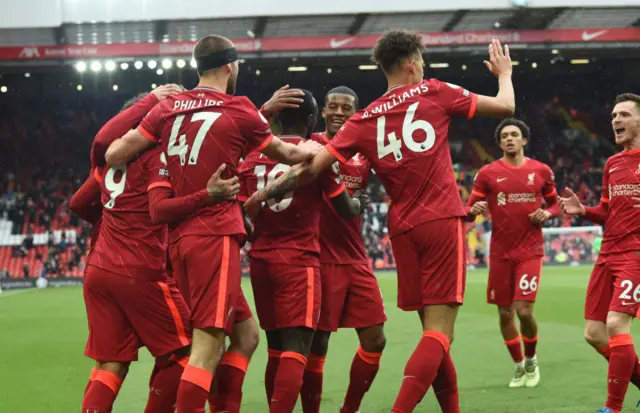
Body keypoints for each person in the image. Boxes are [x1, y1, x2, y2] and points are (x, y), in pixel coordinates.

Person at [244, 30, 515, 413]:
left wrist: (261, 194)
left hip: (401, 227)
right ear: (413, 63)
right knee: (439, 333)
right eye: (422, 61)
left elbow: (307, 171)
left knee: (423, 334)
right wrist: (504, 73)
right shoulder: (434, 91)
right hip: (436, 220)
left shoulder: (365, 119)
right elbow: (506, 106)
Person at [103, 35, 321, 413]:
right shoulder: (238, 109)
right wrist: (326, 150)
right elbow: (288, 152)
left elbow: (115, 152)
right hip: (215, 237)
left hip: (180, 242)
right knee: (205, 349)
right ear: (230, 66)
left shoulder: (169, 109)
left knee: (247, 336)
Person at [238, 89, 363, 413]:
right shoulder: (315, 155)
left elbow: (240, 217)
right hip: (300, 261)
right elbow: (347, 209)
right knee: (298, 350)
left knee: (275, 349)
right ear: (312, 120)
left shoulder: (252, 158)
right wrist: (360, 201)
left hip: (262, 262)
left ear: (277, 120)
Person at [77, 86, 198, 413]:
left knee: (110, 365)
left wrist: (106, 219)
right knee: (192, 349)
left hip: (99, 269)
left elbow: (77, 202)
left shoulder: (105, 163)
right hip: (140, 271)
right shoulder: (159, 157)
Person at [299, 86, 387, 413]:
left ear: (356, 113)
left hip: (355, 257)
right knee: (318, 344)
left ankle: (348, 409)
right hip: (319, 257)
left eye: (345, 108)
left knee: (376, 339)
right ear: (322, 112)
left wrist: (360, 201)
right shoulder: (312, 146)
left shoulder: (365, 152)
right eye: (332, 107)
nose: (338, 112)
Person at [560, 93, 640, 413]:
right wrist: (583, 210)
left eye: (623, 115)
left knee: (616, 324)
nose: (615, 121)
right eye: (613, 116)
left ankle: (612, 408)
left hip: (635, 254)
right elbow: (607, 209)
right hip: (607, 254)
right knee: (594, 333)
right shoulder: (612, 163)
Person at [466, 118, 560, 388]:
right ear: (499, 143)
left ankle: (532, 359)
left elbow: (555, 204)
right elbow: (470, 209)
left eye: (514, 134)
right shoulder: (487, 173)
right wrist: (473, 211)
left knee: (523, 310)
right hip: (499, 252)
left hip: (530, 250)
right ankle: (519, 366)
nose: (509, 138)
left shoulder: (541, 171)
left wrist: (548, 212)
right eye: (504, 135)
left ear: (524, 140)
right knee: (505, 313)